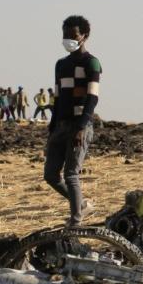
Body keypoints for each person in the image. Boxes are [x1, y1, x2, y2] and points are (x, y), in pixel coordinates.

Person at [46, 15, 101, 225]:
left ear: (84, 36)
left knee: (71, 174)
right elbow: (58, 97)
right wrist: (52, 129)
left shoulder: (92, 63)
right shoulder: (61, 65)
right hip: (60, 125)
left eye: (73, 35)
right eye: (65, 35)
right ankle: (81, 205)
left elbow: (92, 97)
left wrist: (81, 128)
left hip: (80, 125)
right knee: (51, 175)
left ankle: (76, 220)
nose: (68, 38)